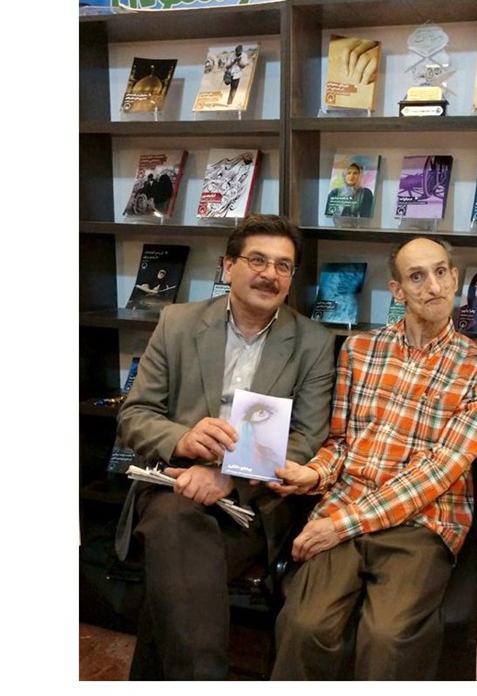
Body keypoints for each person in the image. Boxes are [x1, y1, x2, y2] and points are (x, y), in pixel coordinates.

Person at [269, 236, 477, 680]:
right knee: (304, 625)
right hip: (346, 504)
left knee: (388, 636)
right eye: (417, 276)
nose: (433, 286)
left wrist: (342, 523)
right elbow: (340, 443)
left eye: (441, 272)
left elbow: (437, 473)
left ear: (455, 279)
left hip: (423, 522)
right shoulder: (359, 351)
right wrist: (313, 474)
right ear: (397, 290)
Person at [114, 214, 336, 680]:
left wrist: (228, 476)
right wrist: (182, 438)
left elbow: (306, 438)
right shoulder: (178, 323)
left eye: (283, 266)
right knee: (177, 527)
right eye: (257, 260)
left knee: (176, 570)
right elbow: (135, 415)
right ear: (229, 266)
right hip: (174, 486)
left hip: (251, 505)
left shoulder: (313, 343)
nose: (269, 274)